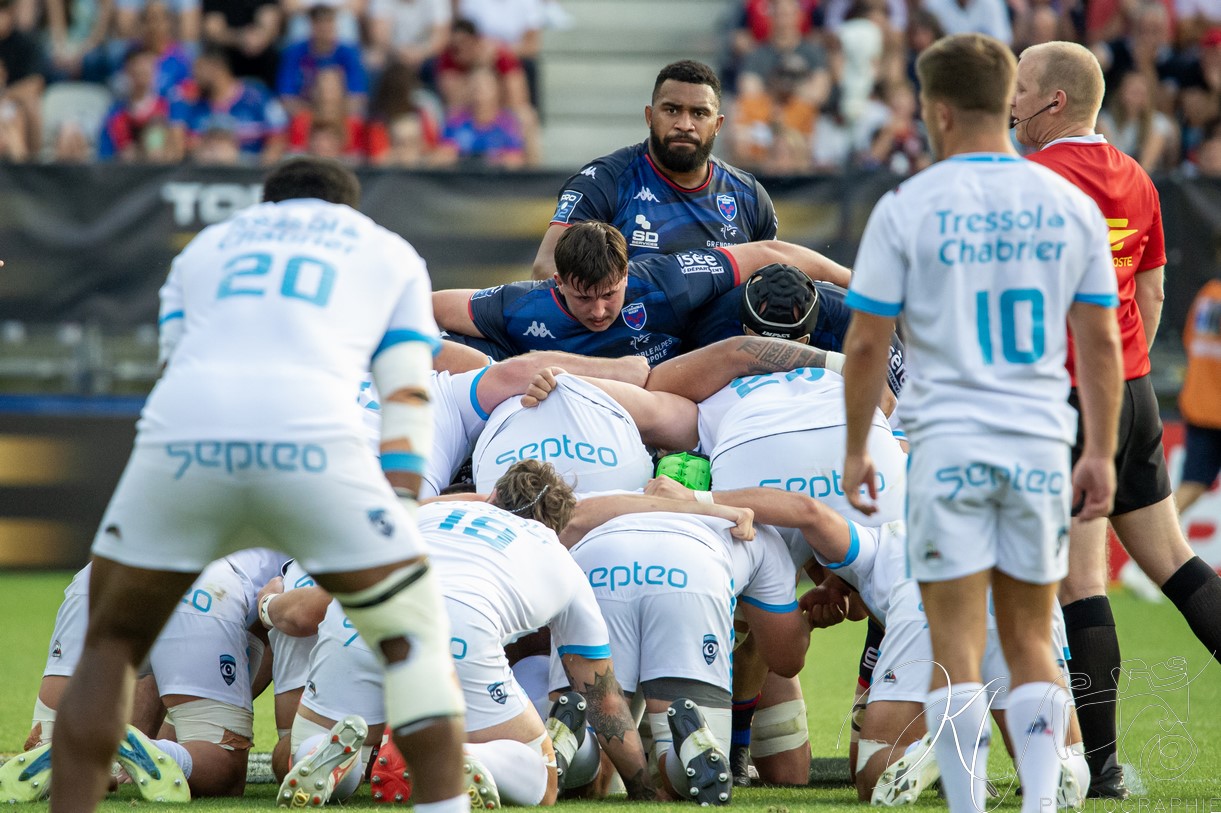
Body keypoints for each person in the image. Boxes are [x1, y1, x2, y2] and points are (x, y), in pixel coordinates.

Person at [43, 157, 471, 813]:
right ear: (347, 211)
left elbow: (174, 364)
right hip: (319, 448)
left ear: (265, 206)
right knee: (414, 644)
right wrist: (401, 509)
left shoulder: (206, 248)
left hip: (184, 448)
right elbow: (409, 394)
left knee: (110, 647)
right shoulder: (389, 253)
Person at [839, 32, 1123, 813]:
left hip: (946, 444)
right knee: (1032, 635)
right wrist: (1098, 448)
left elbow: (866, 341)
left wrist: (858, 442)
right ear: (1007, 101)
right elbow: (1101, 339)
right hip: (1037, 441)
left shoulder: (908, 205)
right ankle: (1036, 805)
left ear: (936, 109)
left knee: (956, 647)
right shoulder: (1068, 204)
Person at [1014, 40, 1221, 797]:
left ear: (1054, 101)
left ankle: (1101, 771)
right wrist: (1125, 364)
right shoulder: (1136, 176)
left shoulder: (1029, 179)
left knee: (1078, 583)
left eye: (1021, 87)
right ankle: (1097, 765)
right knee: (1174, 562)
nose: (1010, 101)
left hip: (1068, 398)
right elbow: (1153, 292)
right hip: (1133, 391)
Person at [435, 220, 851, 365]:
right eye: (583, 298)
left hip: (669, 395)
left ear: (626, 273)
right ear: (557, 282)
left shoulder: (669, 281)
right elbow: (431, 306)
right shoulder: (519, 305)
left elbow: (769, 252)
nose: (599, 311)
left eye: (610, 295)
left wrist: (863, 285)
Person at [530, 59, 778, 280]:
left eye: (699, 113)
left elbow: (771, 277)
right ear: (650, 116)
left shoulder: (749, 196)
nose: (684, 125)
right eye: (672, 110)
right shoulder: (604, 181)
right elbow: (546, 267)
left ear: (718, 124)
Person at [1175, 276, 1221, 514]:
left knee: (1191, 485)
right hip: (1210, 406)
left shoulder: (1209, 293)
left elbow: (1189, 340)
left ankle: (1144, 546)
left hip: (1200, 404)